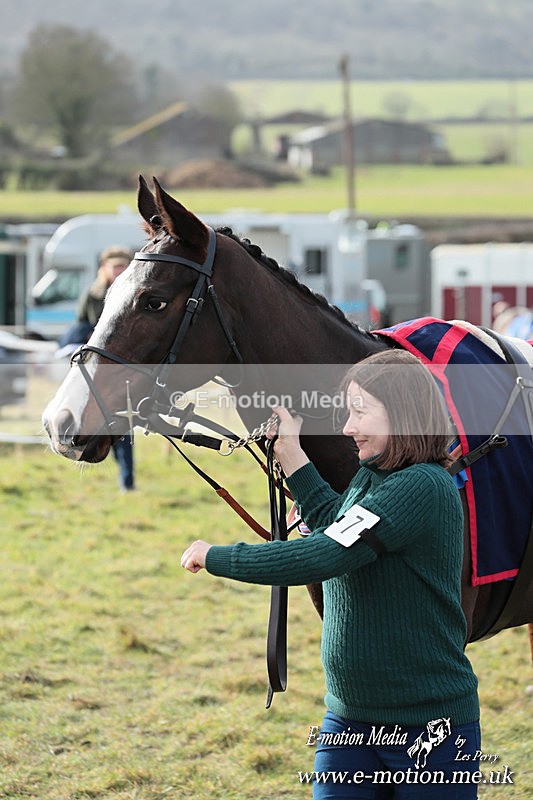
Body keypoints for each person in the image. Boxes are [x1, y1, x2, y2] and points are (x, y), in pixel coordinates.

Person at [181, 350, 481, 798]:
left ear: (401, 415)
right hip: (348, 721)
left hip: (430, 732)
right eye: (348, 411)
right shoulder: (372, 475)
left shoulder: (421, 486)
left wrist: (217, 556)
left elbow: (325, 554)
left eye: (361, 412)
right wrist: (292, 455)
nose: (347, 427)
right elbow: (334, 526)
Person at [77, 245, 135, 491]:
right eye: (115, 267)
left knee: (123, 423)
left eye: (123, 266)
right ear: (105, 269)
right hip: (97, 366)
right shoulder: (93, 294)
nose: (119, 271)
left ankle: (127, 479)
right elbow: (80, 324)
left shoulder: (133, 291)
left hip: (123, 367)